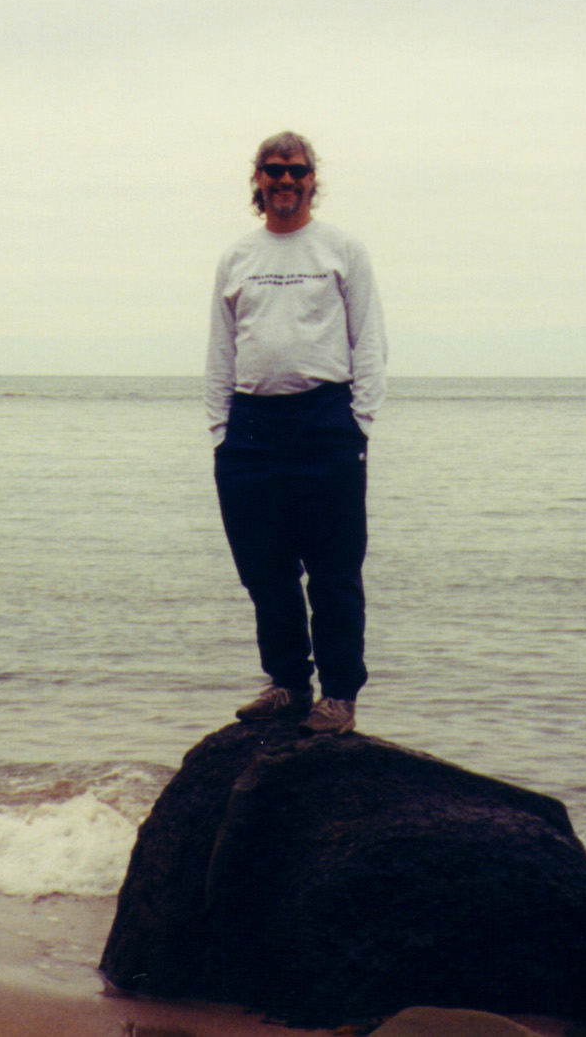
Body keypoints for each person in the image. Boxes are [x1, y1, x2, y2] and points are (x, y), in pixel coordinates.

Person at [204, 132, 386, 736]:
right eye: (274, 170)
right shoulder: (236, 258)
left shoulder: (342, 249)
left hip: (326, 422)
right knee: (265, 570)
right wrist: (221, 432)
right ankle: (287, 685)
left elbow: (370, 342)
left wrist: (359, 423)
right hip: (250, 429)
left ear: (313, 179)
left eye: (297, 170)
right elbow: (220, 352)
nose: (286, 179)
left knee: (334, 572)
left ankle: (339, 697)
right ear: (257, 179)